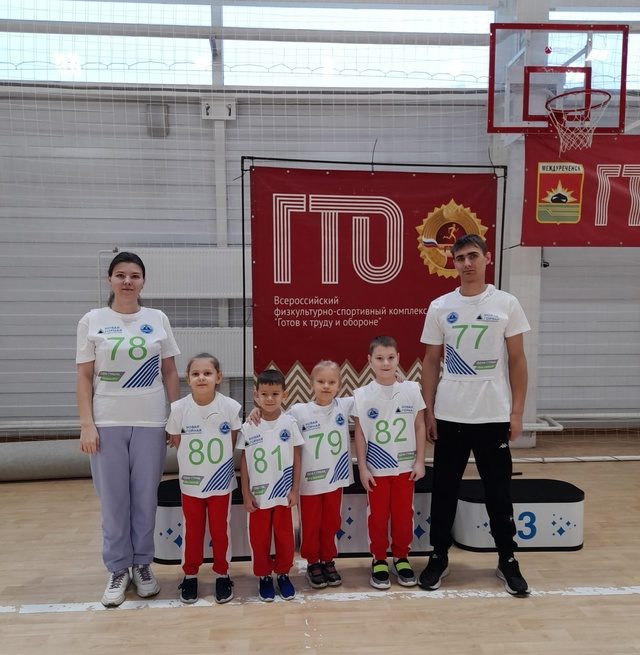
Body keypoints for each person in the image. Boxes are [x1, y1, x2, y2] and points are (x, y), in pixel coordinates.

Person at [418, 233, 531, 597]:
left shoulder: (507, 303)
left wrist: (516, 412)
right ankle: (438, 556)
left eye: (472, 256)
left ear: (486, 258)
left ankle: (507, 559)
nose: (466, 263)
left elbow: (517, 360)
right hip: (450, 416)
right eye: (460, 258)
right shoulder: (440, 306)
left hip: (492, 416)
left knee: (498, 491)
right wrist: (429, 411)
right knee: (444, 490)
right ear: (453, 263)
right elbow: (430, 362)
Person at [76, 251, 180, 607]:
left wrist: (174, 417)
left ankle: (143, 565)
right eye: (120, 275)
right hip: (107, 422)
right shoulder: (92, 320)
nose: (127, 281)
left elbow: (169, 371)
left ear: (143, 282)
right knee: (114, 500)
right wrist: (87, 424)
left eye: (134, 275)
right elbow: (84, 376)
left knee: (145, 499)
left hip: (150, 422)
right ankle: (118, 568)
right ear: (110, 279)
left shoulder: (157, 318)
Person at [166, 353, 241, 605]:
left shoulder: (230, 407)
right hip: (191, 485)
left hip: (220, 484)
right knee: (193, 532)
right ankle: (190, 575)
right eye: (196, 373)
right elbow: (176, 441)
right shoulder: (178, 409)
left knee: (220, 531)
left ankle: (222, 573)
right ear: (187, 378)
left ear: (219, 377)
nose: (201, 378)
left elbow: (233, 440)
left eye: (207, 373)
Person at [353, 335, 426, 590]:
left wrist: (420, 461)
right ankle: (379, 559)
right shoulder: (362, 395)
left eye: (390, 358)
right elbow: (360, 433)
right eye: (380, 358)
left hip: (405, 468)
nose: (385, 363)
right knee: (378, 517)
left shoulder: (412, 389)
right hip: (377, 470)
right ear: (370, 361)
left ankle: (401, 557)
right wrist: (362, 467)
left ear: (398, 359)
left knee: (404, 516)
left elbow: (419, 425)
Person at [237, 369, 303, 602]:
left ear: (284, 394)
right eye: (264, 394)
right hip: (259, 496)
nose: (269, 398)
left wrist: (295, 489)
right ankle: (264, 576)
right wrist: (245, 493)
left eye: (275, 393)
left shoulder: (290, 423)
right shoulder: (249, 426)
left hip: (283, 494)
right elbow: (244, 462)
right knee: (259, 538)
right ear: (256, 395)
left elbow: (297, 457)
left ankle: (283, 573)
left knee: (285, 538)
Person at [287, 361, 354, 589]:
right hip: (309, 483)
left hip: (335, 481)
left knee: (331, 522)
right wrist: (256, 412)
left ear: (339, 385)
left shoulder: (344, 406)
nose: (326, 386)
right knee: (311, 524)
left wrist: (398, 383)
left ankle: (328, 559)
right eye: (321, 381)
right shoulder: (299, 411)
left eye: (332, 382)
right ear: (311, 383)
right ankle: (313, 562)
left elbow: (373, 396)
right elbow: (275, 420)